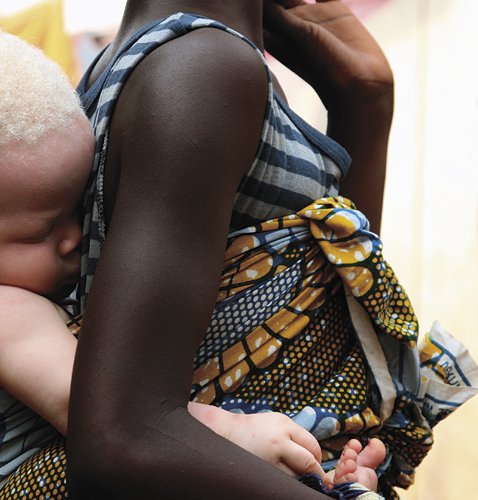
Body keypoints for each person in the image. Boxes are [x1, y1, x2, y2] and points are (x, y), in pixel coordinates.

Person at [0, 21, 386, 499]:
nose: (73, 239)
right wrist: (237, 436)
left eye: (78, 207)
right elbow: (85, 407)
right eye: (41, 230)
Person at [66, 0, 476, 498]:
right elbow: (122, 438)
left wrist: (363, 102)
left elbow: (327, 316)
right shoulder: (205, 67)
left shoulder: (149, 61)